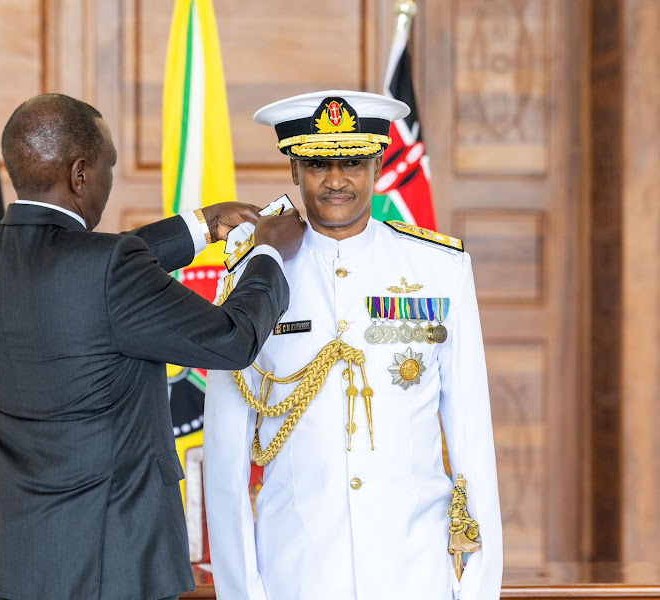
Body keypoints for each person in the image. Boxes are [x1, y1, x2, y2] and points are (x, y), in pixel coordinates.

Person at [0, 93, 305, 600]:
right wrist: (271, 251)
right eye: (108, 165)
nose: (109, 178)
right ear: (80, 174)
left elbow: (80, 265)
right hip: (109, 564)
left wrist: (200, 226)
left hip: (19, 563)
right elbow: (234, 340)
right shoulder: (108, 270)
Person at [203, 91, 503, 599]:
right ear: (294, 169)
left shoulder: (439, 271)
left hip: (415, 574)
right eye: (319, 164)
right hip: (294, 574)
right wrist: (243, 591)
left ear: (380, 163)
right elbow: (226, 459)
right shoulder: (249, 281)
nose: (337, 180)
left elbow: (472, 436)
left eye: (353, 163)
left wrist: (477, 586)